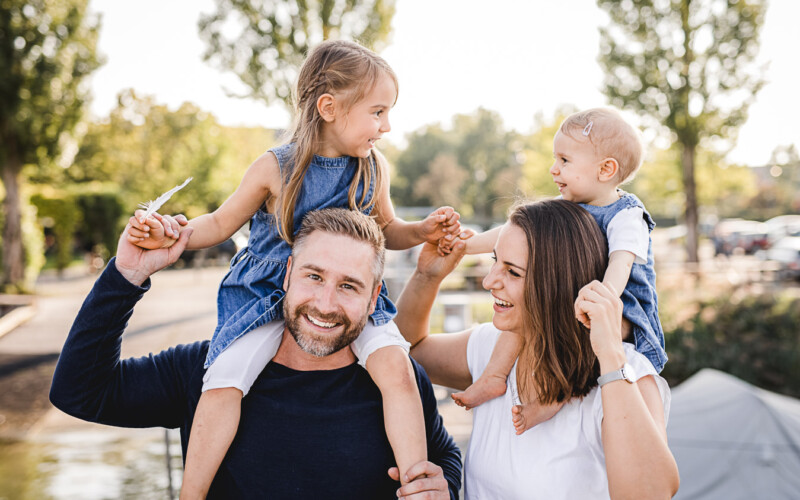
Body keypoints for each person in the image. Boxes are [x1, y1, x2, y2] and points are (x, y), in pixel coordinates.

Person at [125, 40, 461, 497]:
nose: (386, 126)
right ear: (328, 107)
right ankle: (192, 494)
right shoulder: (276, 167)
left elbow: (389, 231)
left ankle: (417, 485)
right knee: (225, 381)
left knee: (397, 370)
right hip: (265, 295)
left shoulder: (373, 169)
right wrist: (172, 234)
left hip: (347, 298)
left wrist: (421, 230)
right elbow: (222, 223)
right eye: (377, 112)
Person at [50, 208, 462, 499]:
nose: (325, 302)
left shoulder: (398, 380)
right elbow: (80, 391)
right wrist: (128, 274)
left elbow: (443, 453)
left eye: (348, 286)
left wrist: (445, 485)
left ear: (375, 299)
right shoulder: (209, 369)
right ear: (286, 275)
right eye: (313, 276)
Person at [396, 199, 679, 499]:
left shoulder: (626, 376)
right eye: (495, 261)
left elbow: (651, 493)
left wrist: (609, 355)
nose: (490, 280)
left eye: (513, 272)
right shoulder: (493, 349)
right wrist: (428, 276)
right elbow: (405, 351)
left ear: (557, 284)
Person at [451, 108, 667, 434]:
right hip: (573, 296)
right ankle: (493, 377)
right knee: (524, 315)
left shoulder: (626, 215)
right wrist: (467, 246)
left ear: (606, 169)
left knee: (580, 339)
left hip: (621, 311)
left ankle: (554, 398)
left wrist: (600, 303)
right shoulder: (567, 203)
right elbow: (513, 232)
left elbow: (621, 264)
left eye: (564, 160)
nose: (554, 169)